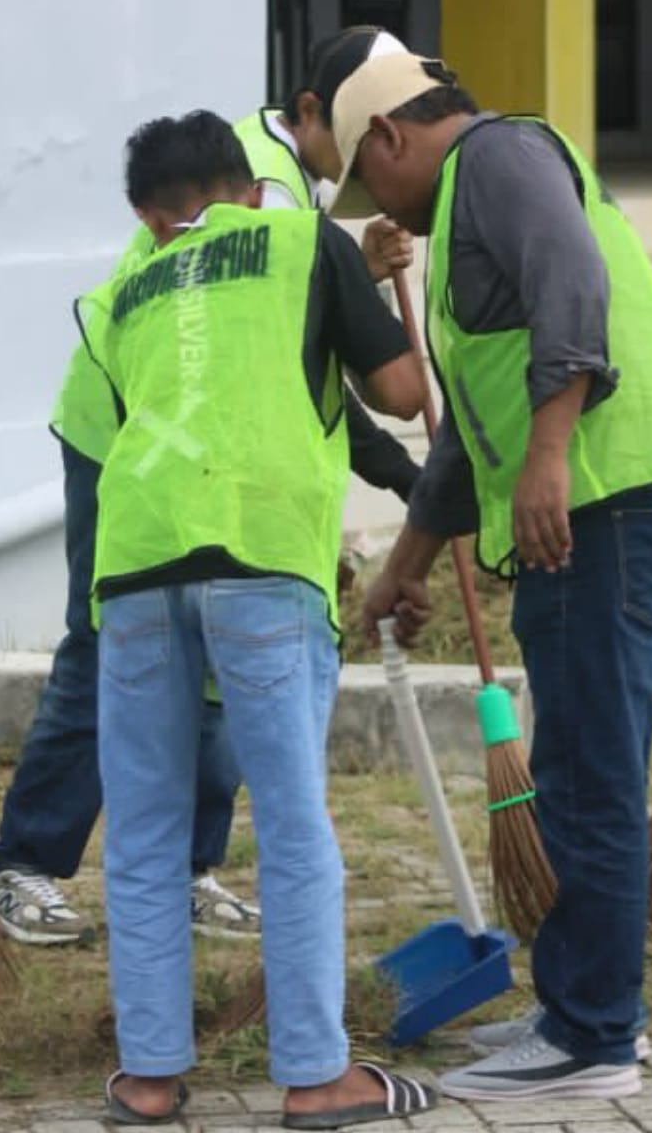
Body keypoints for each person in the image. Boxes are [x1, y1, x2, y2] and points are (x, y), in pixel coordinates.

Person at [327, 51, 652, 1100]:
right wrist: (404, 567)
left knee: (586, 781)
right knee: (595, 771)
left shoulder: (498, 158)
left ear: (389, 135)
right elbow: (468, 437)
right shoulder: (480, 194)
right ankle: (585, 1009)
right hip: (645, 502)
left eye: (374, 182)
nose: (384, 210)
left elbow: (572, 284)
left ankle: (590, 1037)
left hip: (604, 507)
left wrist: (550, 453)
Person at [0, 25, 423, 945]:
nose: (375, 153)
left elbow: (291, 373)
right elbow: (312, 375)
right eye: (361, 130)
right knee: (106, 639)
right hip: (127, 435)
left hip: (216, 449)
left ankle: (186, 868)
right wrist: (412, 473)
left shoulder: (291, 191)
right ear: (312, 112)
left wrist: (361, 283)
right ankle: (21, 859)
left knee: (225, 652)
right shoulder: (259, 190)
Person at [92, 109, 435, 1128]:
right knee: (290, 823)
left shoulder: (126, 291)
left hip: (136, 565)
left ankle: (148, 1077)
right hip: (261, 557)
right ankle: (317, 1074)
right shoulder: (301, 241)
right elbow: (400, 391)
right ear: (249, 189)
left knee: (144, 829)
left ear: (151, 217)